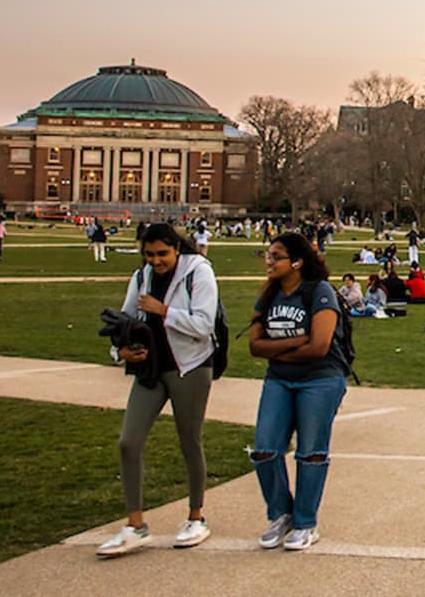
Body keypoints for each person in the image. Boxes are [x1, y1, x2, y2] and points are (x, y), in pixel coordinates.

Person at [95, 223, 220, 557]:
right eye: (149, 254)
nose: (156, 261)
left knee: (189, 440)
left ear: (176, 248)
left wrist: (164, 311)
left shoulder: (199, 272)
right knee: (128, 441)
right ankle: (135, 525)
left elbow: (204, 326)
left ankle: (196, 516)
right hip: (151, 369)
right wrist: (120, 352)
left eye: (162, 253)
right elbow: (123, 322)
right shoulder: (141, 278)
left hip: (190, 367)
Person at [248, 232, 348, 551]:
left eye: (275, 256)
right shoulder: (268, 295)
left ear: (297, 261)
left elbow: (319, 346)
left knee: (311, 452)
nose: (269, 261)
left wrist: (275, 350)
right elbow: (254, 345)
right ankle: (281, 514)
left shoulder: (320, 292)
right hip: (279, 379)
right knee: (264, 448)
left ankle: (305, 523)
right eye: (268, 255)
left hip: (320, 379)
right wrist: (293, 344)